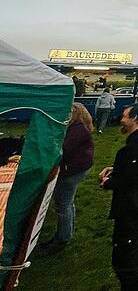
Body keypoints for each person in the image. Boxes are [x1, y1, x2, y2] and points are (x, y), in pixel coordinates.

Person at [99, 103, 138, 291]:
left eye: (125, 116)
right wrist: (117, 168)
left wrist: (108, 183)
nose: (121, 119)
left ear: (135, 118)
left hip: (134, 204)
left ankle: (134, 284)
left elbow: (135, 177)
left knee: (127, 251)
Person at [39, 103, 95, 254]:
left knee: (62, 205)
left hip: (72, 171)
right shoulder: (78, 127)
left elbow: (63, 148)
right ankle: (66, 233)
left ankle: (62, 238)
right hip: (75, 169)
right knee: (67, 203)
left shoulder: (77, 129)